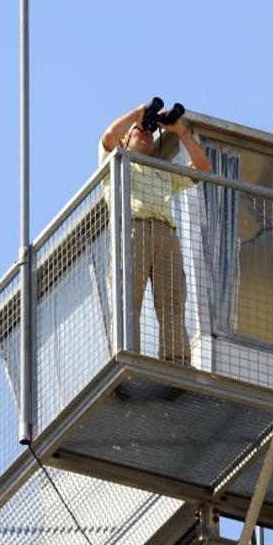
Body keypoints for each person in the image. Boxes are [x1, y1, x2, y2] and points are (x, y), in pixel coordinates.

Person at [99, 102, 212, 366]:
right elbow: (108, 137)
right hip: (133, 227)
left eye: (150, 130)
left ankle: (177, 361)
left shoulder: (162, 172)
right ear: (126, 140)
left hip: (165, 234)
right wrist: (139, 113)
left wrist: (180, 132)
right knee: (129, 298)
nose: (148, 132)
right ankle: (128, 359)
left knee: (172, 302)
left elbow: (203, 170)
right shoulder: (115, 161)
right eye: (141, 130)